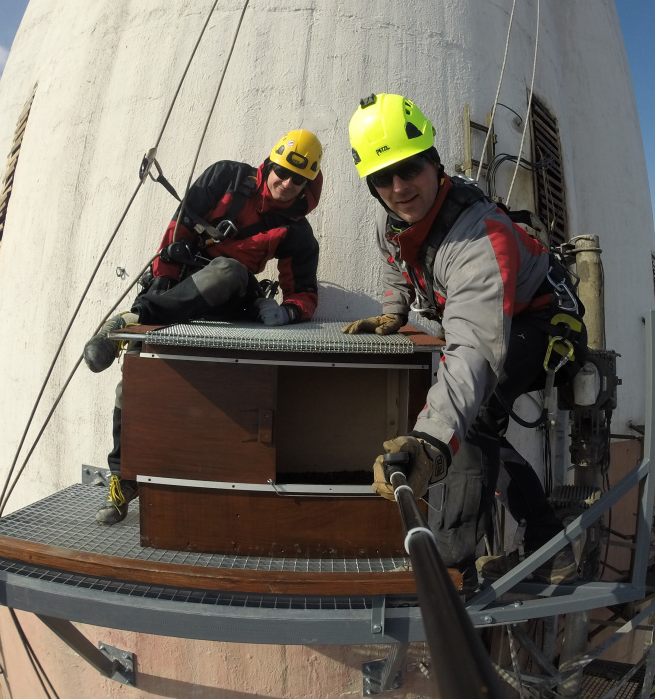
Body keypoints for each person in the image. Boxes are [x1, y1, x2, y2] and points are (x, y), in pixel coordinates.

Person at [342, 93, 587, 583]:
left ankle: (451, 565)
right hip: (499, 317)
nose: (398, 187)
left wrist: (431, 443)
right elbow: (399, 267)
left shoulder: (479, 238)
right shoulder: (390, 218)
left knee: (470, 424)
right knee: (476, 425)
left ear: (434, 162)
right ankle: (548, 542)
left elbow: (473, 348)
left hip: (544, 324)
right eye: (382, 179)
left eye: (410, 168)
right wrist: (392, 314)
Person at [84, 129, 323, 524]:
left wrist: (287, 312)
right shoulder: (226, 178)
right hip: (181, 284)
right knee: (135, 380)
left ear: (307, 183)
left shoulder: (296, 230)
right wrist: (161, 282)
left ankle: (130, 321)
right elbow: (179, 228)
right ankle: (122, 478)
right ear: (271, 164)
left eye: (298, 180)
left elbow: (305, 293)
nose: (286, 183)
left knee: (226, 270)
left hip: (232, 290)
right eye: (282, 172)